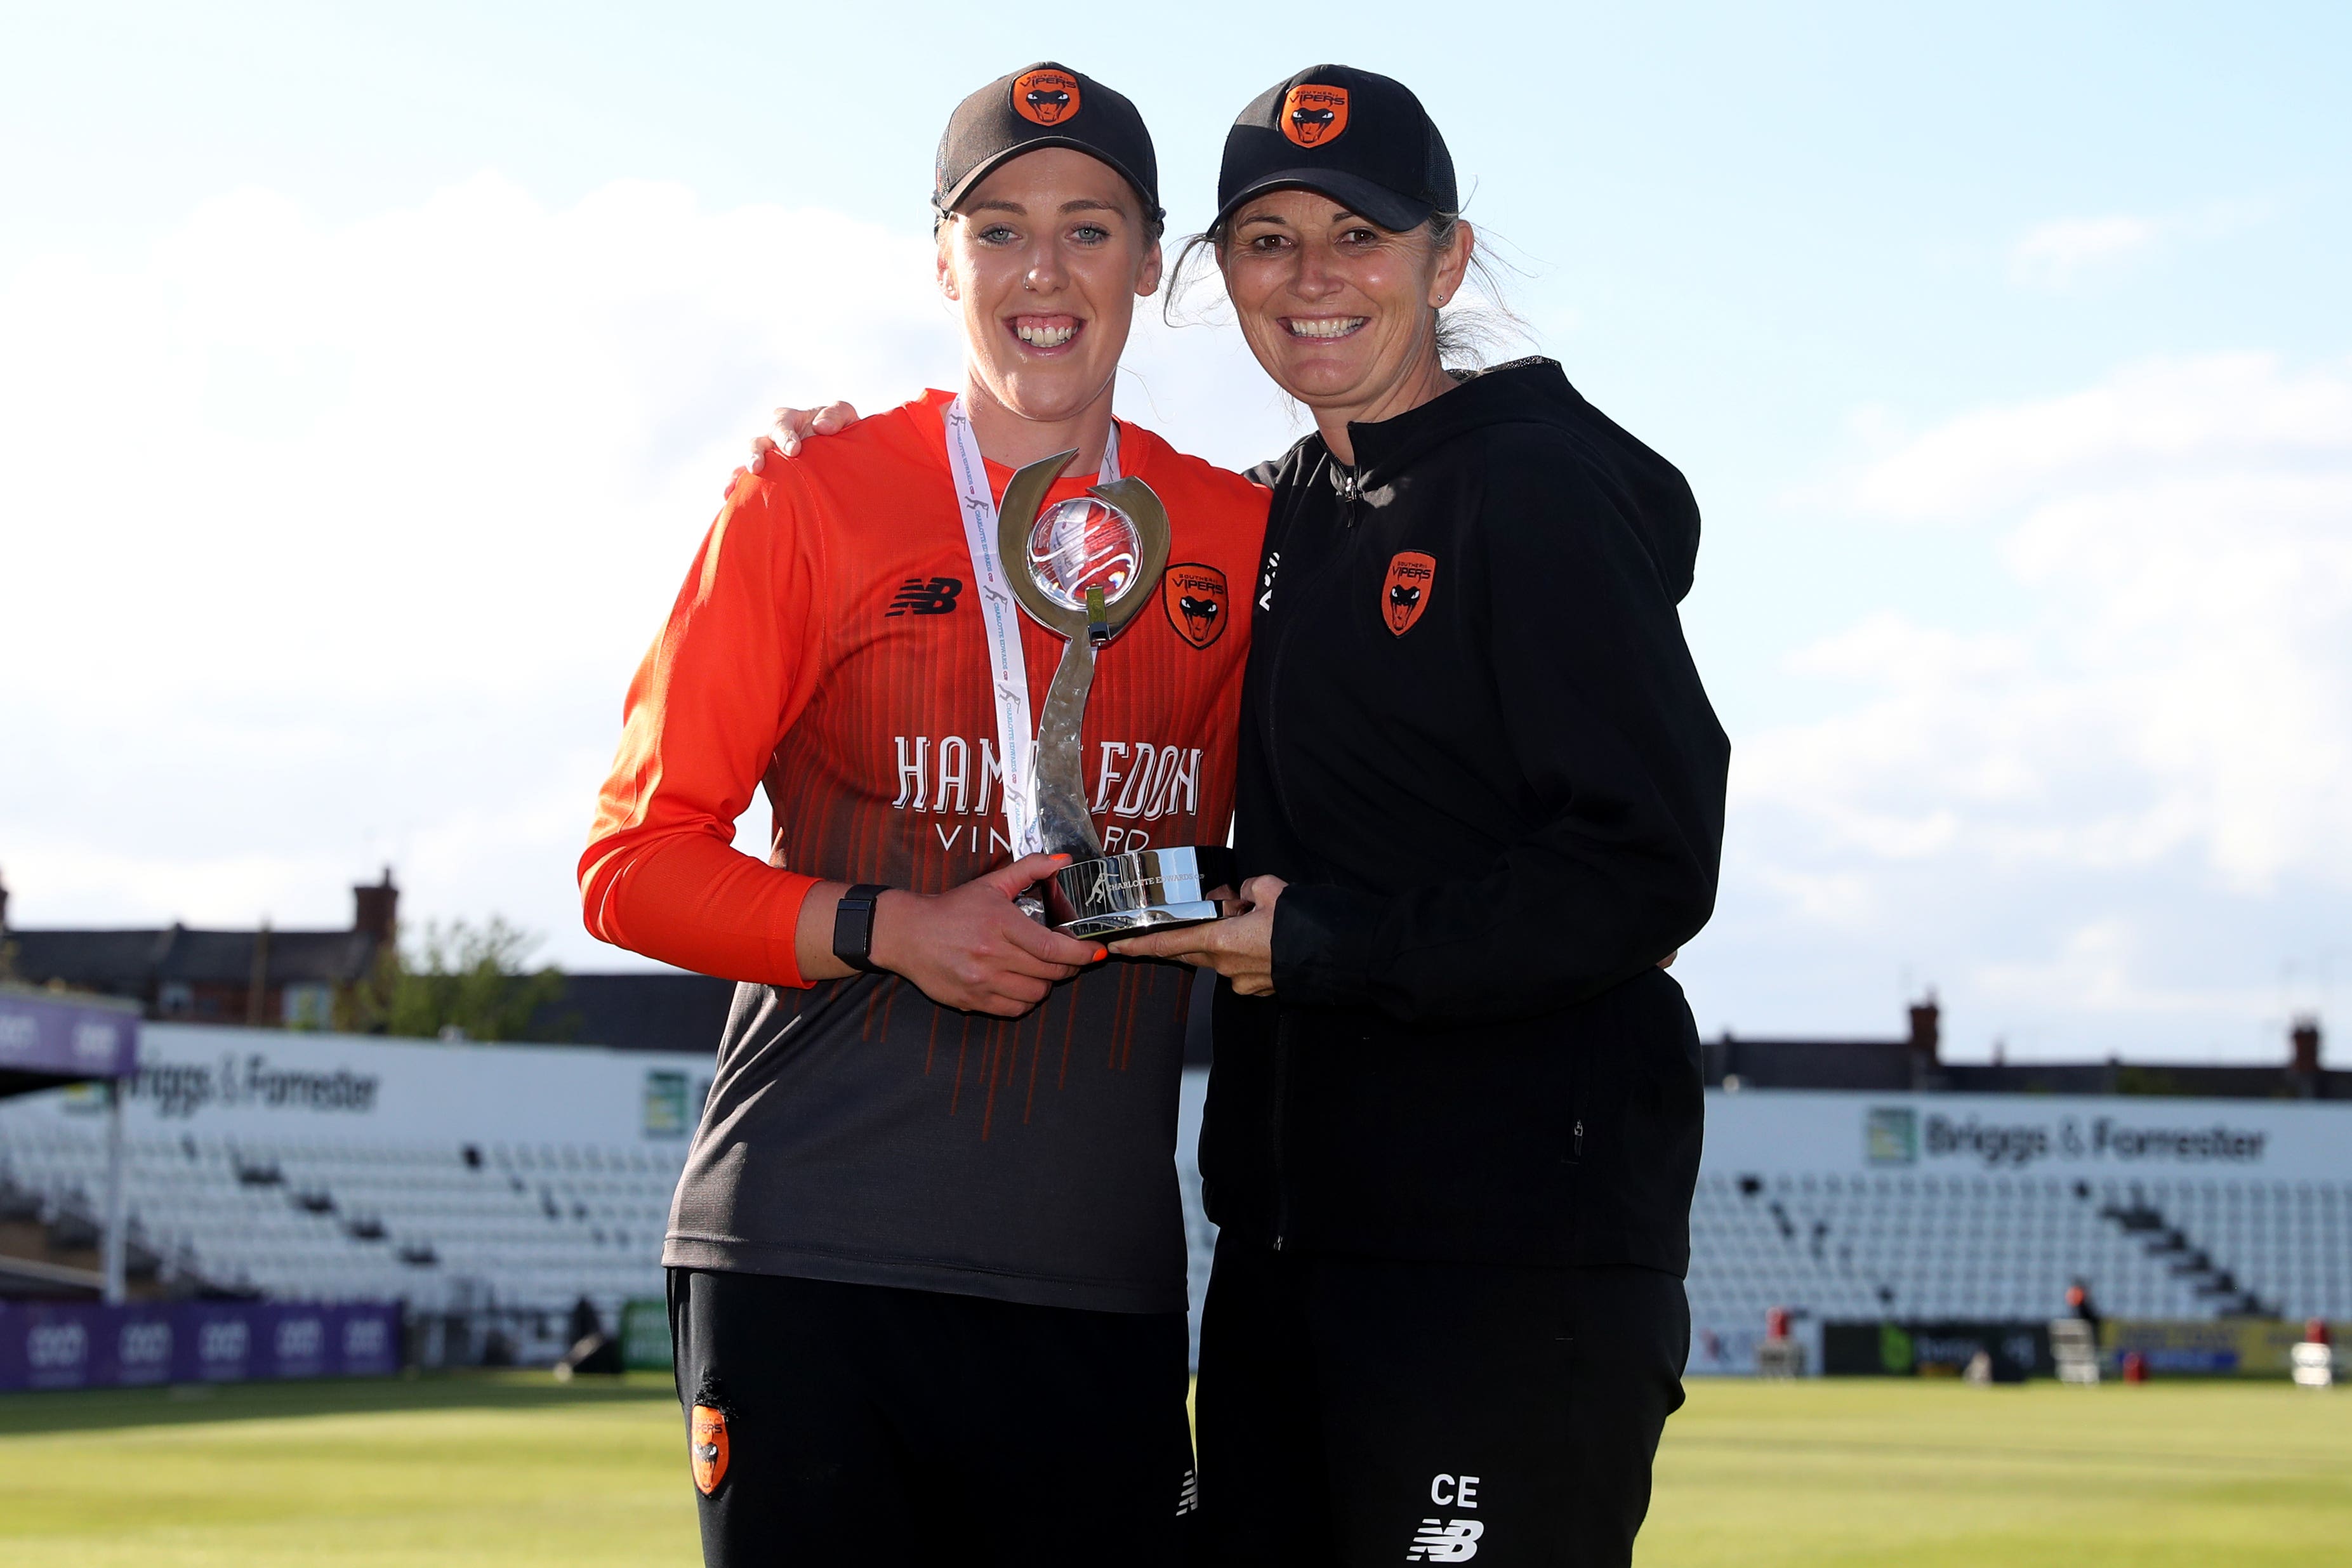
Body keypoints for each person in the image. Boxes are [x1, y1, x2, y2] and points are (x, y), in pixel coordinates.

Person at [757, 63, 1726, 1568]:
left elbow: (1641, 866)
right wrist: (1026, 906)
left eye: (1358, 235)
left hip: (1497, 1263)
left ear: (1444, 258)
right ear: (1213, 275)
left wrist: (1325, 946)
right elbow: (1248, 864)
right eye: (1268, 241)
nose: (1313, 279)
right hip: (1281, 1260)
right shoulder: (1282, 516)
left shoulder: (1534, 491)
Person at [580, 62, 1267, 1567]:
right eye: (999, 227)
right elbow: (631, 868)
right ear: (938, 255)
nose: (1043, 271)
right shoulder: (806, 497)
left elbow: (1244, 860)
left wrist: (1149, 911)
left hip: (1097, 1278)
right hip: (810, 1253)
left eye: (1088, 230)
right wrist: (894, 931)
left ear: (1150, 264)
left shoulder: (1237, 533)